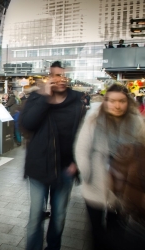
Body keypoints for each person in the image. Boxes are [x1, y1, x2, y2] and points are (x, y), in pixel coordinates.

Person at [20, 61, 85, 250]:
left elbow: (81, 134)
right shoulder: (36, 98)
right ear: (49, 77)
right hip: (39, 166)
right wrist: (44, 98)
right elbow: (28, 125)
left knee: (59, 217)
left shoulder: (76, 102)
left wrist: (76, 162)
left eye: (64, 75)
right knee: (35, 216)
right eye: (56, 75)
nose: (61, 79)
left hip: (65, 169)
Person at [75, 84, 145, 250]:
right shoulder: (93, 121)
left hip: (123, 190)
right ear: (106, 102)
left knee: (116, 230)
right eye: (112, 101)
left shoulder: (136, 122)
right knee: (96, 230)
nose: (117, 105)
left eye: (121, 101)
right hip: (95, 186)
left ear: (127, 102)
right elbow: (81, 148)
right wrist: (86, 173)